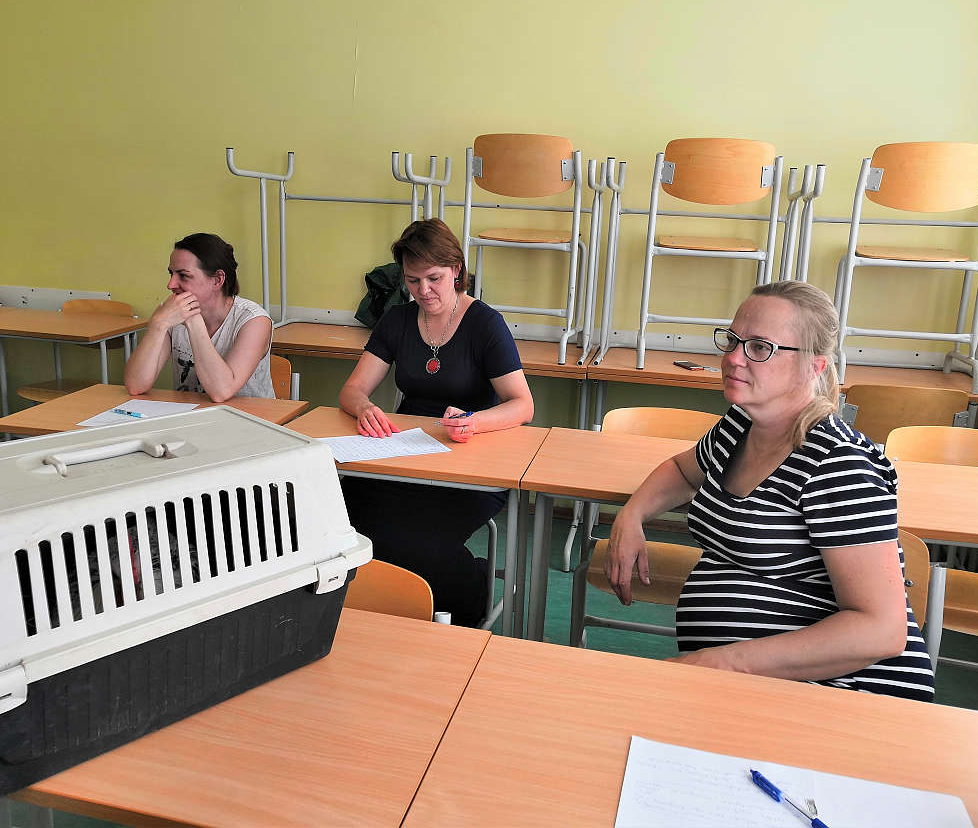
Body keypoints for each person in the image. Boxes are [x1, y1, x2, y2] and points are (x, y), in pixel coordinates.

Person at [604, 280, 934, 701]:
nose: (733, 358)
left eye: (760, 347)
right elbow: (682, 472)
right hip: (751, 679)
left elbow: (881, 630)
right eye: (732, 341)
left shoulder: (838, 463)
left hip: (845, 695)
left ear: (813, 366)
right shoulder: (741, 425)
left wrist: (723, 662)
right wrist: (631, 516)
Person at [338, 218, 533, 625]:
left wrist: (473, 421)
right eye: (412, 280)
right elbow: (352, 390)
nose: (423, 290)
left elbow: (522, 405)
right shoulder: (397, 321)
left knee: (417, 540)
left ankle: (469, 592)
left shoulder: (484, 323)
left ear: (456, 271)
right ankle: (385, 604)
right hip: (405, 455)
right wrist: (364, 408)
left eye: (434, 279)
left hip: (472, 462)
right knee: (340, 518)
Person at [125, 233, 274, 401]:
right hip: (191, 414)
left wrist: (194, 321)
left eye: (183, 275)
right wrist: (158, 325)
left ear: (217, 280)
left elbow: (221, 392)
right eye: (171, 274)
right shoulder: (170, 314)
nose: (170, 284)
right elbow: (135, 385)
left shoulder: (254, 320)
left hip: (249, 415)